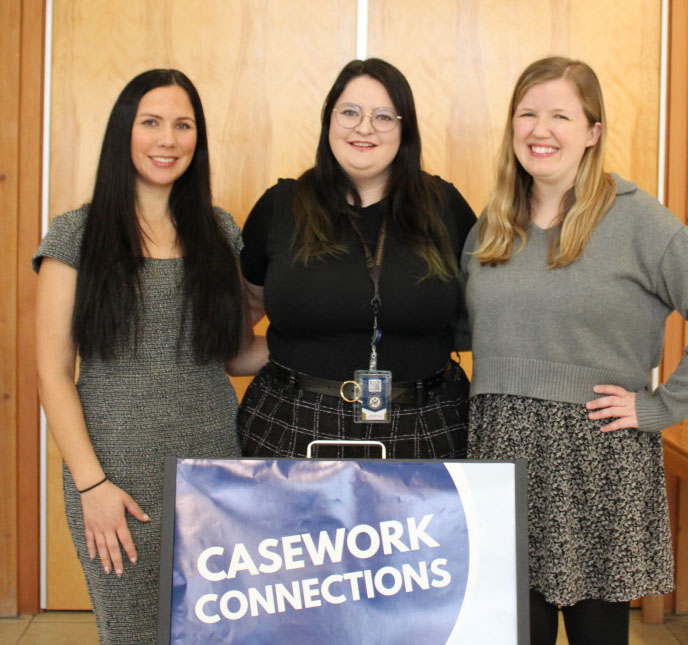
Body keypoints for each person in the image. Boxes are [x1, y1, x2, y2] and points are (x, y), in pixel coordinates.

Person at [461, 57, 688, 645]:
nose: (540, 130)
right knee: (514, 630)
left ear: (592, 131)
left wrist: (661, 407)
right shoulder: (492, 225)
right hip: (498, 449)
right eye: (527, 114)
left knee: (597, 634)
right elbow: (470, 328)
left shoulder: (635, 218)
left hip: (593, 455)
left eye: (560, 116)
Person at [34, 69, 245, 644]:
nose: (167, 140)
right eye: (151, 123)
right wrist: (91, 485)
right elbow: (52, 375)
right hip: (115, 481)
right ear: (124, 131)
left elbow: (233, 356)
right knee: (130, 633)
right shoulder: (75, 235)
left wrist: (328, 339)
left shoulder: (220, 232)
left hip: (216, 473)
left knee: (214, 633)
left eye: (183, 125)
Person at [235, 58, 476, 459]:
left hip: (428, 426)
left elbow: (498, 314)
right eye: (349, 112)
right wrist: (296, 354)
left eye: (384, 116)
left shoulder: (444, 206)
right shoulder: (281, 206)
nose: (364, 128)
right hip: (292, 423)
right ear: (329, 119)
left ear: (405, 129)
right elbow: (239, 322)